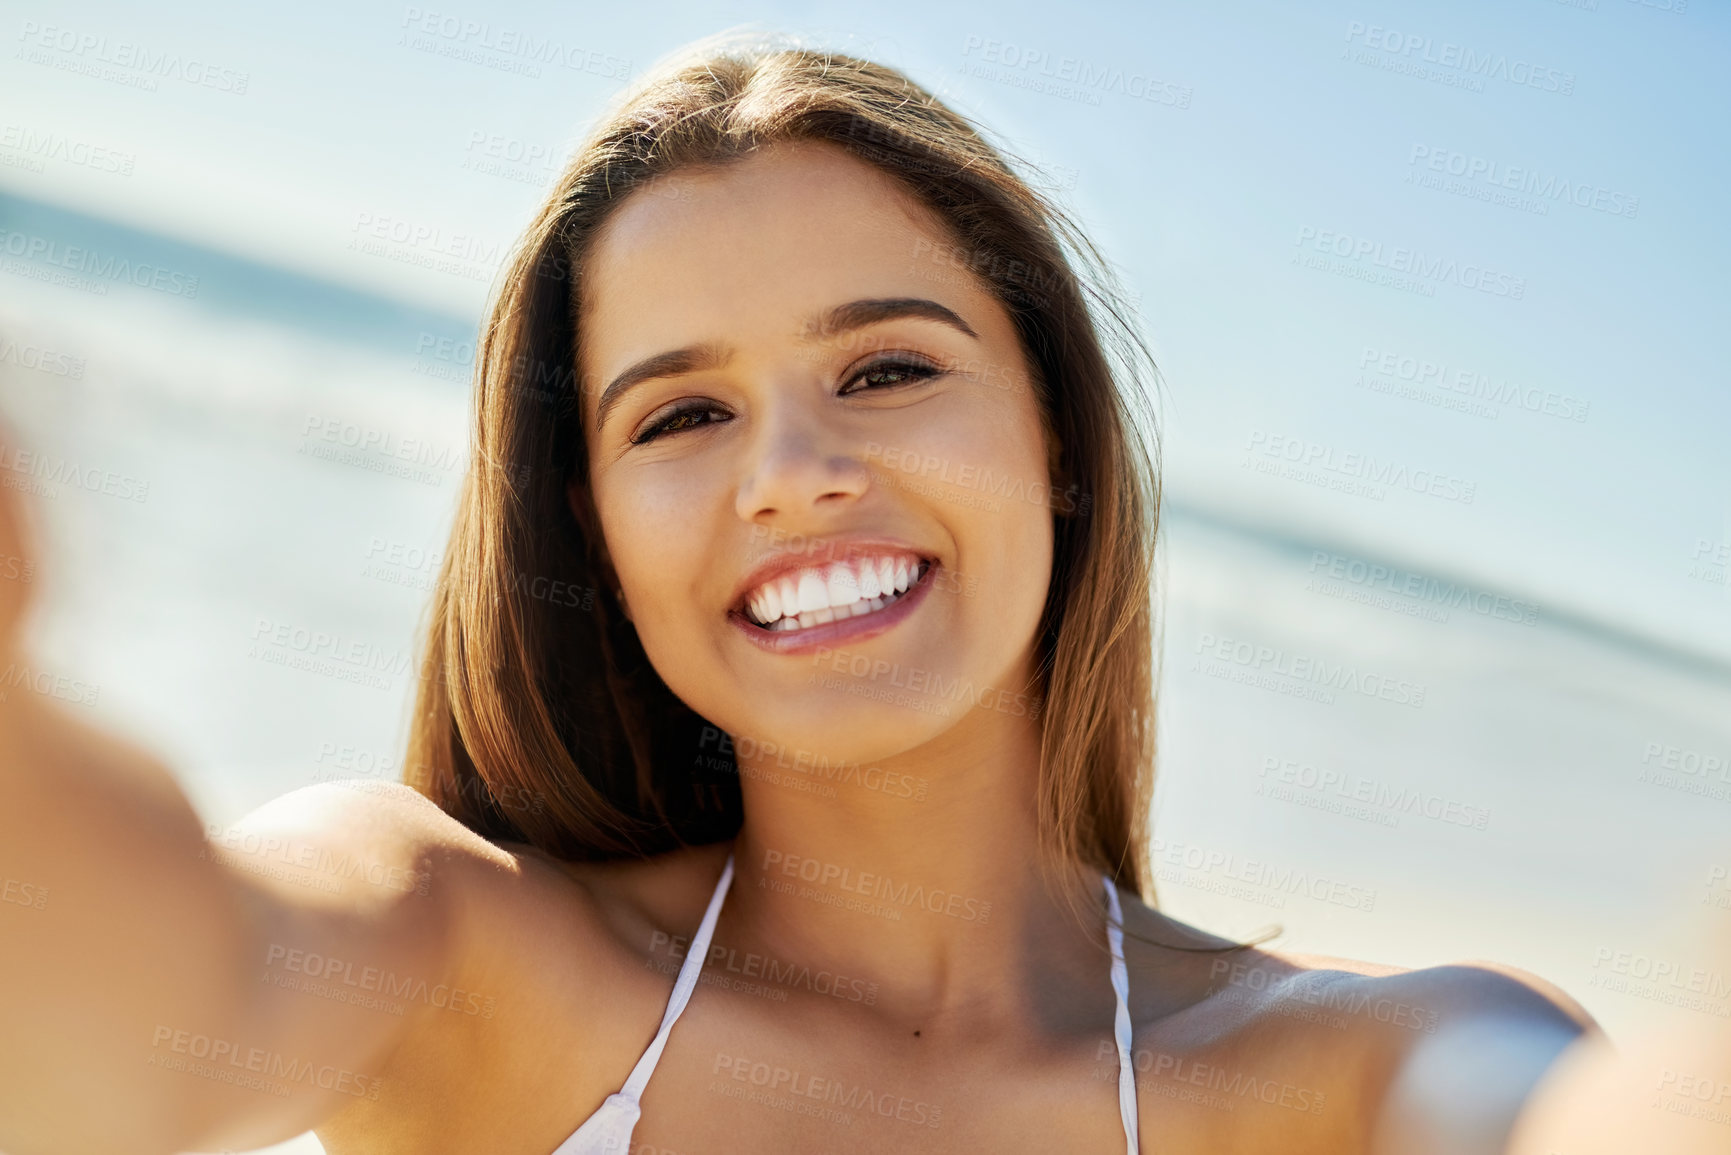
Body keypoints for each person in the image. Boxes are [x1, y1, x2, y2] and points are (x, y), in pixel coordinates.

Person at [1, 37, 1612, 1155]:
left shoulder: (1362, 1074)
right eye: (681, 416)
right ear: (599, 529)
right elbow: (139, 1008)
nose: (791, 472)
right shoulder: (459, 954)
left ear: (1054, 430)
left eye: (889, 368)